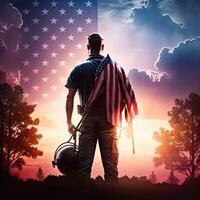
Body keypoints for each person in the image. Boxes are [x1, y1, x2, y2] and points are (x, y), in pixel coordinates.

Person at [65, 33, 137, 182]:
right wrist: (129, 123)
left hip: (88, 120)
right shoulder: (116, 69)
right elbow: (126, 94)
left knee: (83, 169)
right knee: (111, 170)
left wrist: (69, 122)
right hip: (110, 122)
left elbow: (69, 97)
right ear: (102, 47)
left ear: (88, 47)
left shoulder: (78, 69)